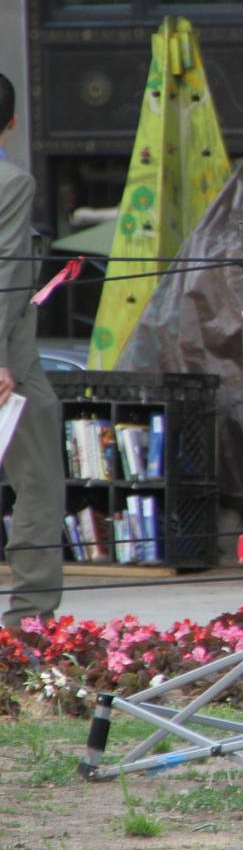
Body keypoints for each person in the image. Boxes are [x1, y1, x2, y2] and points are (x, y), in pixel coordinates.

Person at [0, 72, 64, 628]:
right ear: (13, 121)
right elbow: (9, 271)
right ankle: (29, 620)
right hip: (8, 362)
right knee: (39, 482)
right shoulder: (10, 182)